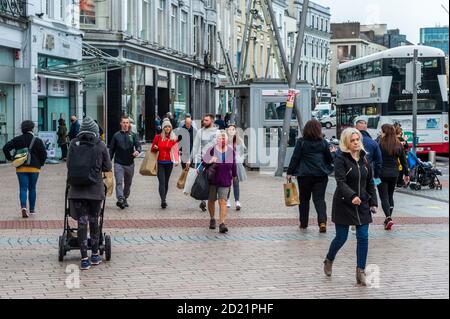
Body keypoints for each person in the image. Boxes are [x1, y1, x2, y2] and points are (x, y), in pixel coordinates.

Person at [323, 128, 378, 286]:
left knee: (363, 236)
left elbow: (370, 183)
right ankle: (329, 259)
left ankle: (360, 271)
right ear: (346, 142)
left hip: (362, 204)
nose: (356, 143)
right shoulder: (341, 159)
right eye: (352, 140)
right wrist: (352, 196)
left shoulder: (365, 159)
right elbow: (340, 182)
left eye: (357, 140)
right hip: (344, 203)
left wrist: (373, 202)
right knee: (341, 237)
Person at [67, 117, 112, 270]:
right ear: (94, 131)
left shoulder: (73, 143)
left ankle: (84, 258)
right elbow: (107, 166)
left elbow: (68, 164)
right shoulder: (100, 145)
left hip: (77, 191)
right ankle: (94, 255)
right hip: (95, 191)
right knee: (94, 221)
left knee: (81, 222)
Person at [287, 120, 336, 233]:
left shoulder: (301, 142)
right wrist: (333, 153)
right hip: (320, 175)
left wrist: (290, 172)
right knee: (319, 199)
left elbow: (295, 158)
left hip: (304, 175)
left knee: (304, 199)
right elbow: (329, 159)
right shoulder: (323, 143)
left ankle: (304, 223)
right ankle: (322, 222)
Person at [2, 120, 47, 218]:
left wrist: (11, 158)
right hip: (34, 168)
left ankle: (23, 207)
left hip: (21, 167)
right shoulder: (38, 140)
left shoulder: (17, 139)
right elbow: (44, 154)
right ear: (32, 128)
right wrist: (40, 164)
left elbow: (5, 148)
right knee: (32, 188)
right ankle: (32, 211)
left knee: (23, 188)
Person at [201, 131, 237, 233]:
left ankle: (222, 223)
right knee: (211, 200)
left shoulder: (230, 151)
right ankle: (212, 218)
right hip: (213, 180)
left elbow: (234, 165)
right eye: (221, 138)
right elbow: (203, 162)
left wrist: (234, 175)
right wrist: (211, 160)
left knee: (223, 201)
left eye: (224, 138)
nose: (223, 140)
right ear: (217, 140)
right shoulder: (212, 149)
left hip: (225, 180)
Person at [377, 124, 409, 230]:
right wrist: (407, 174)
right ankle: (388, 218)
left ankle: (388, 217)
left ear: (385, 132)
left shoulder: (379, 144)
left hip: (381, 174)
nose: (380, 133)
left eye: (381, 131)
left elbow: (375, 159)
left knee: (384, 197)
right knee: (390, 195)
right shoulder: (398, 144)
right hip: (394, 173)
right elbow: (404, 161)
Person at [187, 114, 220, 212]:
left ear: (212, 121)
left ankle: (210, 199)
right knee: (202, 181)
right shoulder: (200, 132)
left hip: (215, 162)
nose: (204, 122)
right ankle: (203, 200)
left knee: (212, 181)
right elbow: (195, 147)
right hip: (202, 161)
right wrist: (190, 159)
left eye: (206, 120)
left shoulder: (218, 133)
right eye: (203, 120)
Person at [109, 116, 142, 210]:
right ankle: (120, 199)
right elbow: (111, 150)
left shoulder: (133, 135)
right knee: (119, 182)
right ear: (121, 123)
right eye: (124, 122)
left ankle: (125, 198)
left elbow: (138, 146)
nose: (125, 124)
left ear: (129, 124)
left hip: (130, 164)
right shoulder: (116, 136)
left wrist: (137, 151)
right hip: (118, 163)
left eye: (127, 123)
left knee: (128, 183)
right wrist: (107, 163)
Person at [151, 119, 180, 209]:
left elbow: (176, 150)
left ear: (171, 128)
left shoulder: (173, 138)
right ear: (163, 128)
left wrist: (177, 161)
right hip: (160, 163)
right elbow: (152, 149)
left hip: (169, 163)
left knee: (166, 182)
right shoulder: (158, 137)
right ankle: (163, 200)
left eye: (169, 127)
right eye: (166, 127)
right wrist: (155, 148)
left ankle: (164, 198)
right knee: (162, 182)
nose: (167, 128)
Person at [226, 123, 247, 211]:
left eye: (233, 129)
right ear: (227, 131)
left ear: (235, 131)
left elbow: (243, 152)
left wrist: (240, 160)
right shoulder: (225, 140)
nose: (231, 131)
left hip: (236, 164)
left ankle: (237, 201)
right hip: (227, 164)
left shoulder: (239, 141)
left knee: (236, 182)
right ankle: (227, 200)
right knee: (227, 183)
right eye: (230, 129)